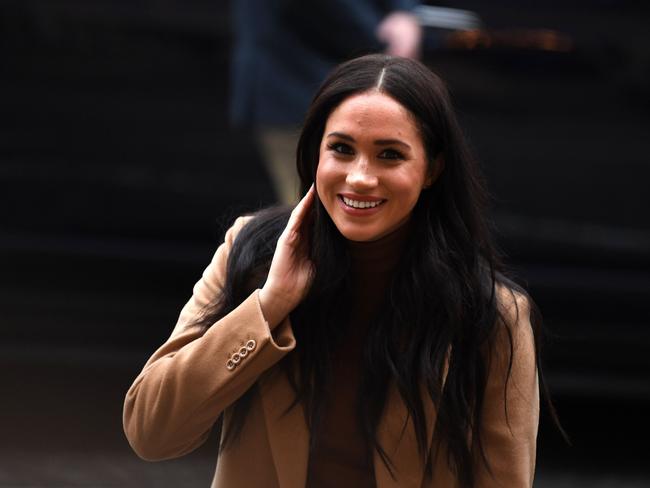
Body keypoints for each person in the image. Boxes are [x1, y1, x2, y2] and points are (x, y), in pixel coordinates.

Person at [124, 54, 549, 487]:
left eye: (390, 155)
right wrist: (269, 307)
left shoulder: (490, 314)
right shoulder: (252, 254)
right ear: (315, 154)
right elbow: (151, 432)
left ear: (431, 170)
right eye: (342, 149)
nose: (360, 177)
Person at [231, 0, 422, 204]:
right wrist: (385, 40)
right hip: (300, 87)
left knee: (318, 210)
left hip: (301, 86)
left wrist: (403, 13)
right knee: (315, 214)